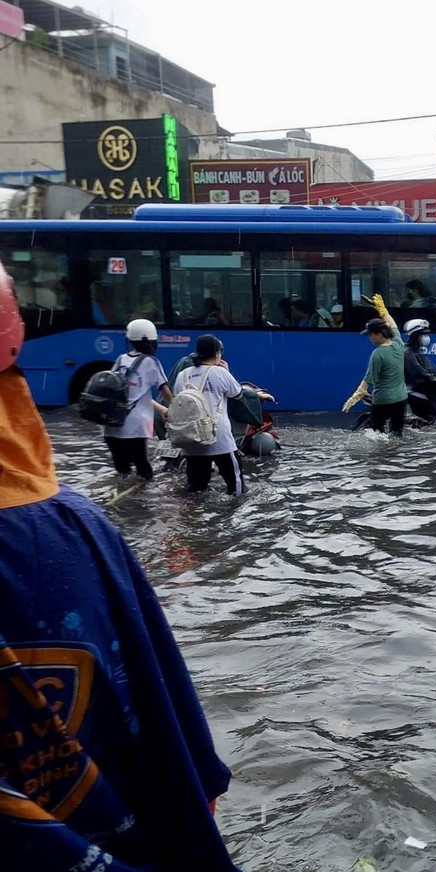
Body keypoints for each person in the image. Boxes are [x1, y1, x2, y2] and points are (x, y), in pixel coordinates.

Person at [0, 261, 240, 871]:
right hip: (99, 839)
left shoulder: (74, 523)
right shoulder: (74, 535)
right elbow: (165, 728)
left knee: (136, 477)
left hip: (114, 436)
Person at [172, 334, 273, 495]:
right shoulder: (220, 372)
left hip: (191, 438)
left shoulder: (182, 375)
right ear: (217, 353)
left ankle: (195, 518)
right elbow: (238, 394)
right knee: (235, 485)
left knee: (196, 489)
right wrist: (227, 372)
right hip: (219, 438)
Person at [102, 318, 173, 481]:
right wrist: (177, 411)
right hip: (134, 426)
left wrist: (161, 409)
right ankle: (143, 504)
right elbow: (166, 392)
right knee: (144, 471)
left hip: (111, 423)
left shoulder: (121, 359)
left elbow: (132, 394)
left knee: (122, 471)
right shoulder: (151, 362)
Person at [341, 294, 407, 435]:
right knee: (397, 434)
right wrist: (382, 311)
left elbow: (368, 380)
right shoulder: (398, 343)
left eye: (371, 335)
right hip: (401, 398)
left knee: (376, 434)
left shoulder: (378, 354)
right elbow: (393, 323)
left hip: (383, 400)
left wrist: (354, 398)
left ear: (379, 334)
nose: (369, 338)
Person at [402, 318, 436, 423]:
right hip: (411, 390)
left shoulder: (416, 352)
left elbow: (433, 369)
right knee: (434, 406)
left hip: (420, 388)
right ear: (415, 336)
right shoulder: (407, 352)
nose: (426, 338)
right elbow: (419, 373)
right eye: (423, 335)